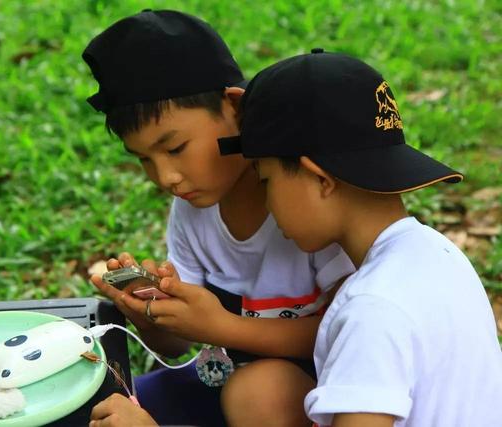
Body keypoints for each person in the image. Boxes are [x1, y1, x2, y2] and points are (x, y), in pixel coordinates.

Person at [83, 10, 355, 427]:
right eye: (144, 160)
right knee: (111, 404)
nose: (166, 177)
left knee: (260, 392)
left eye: (175, 149)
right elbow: (177, 345)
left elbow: (345, 331)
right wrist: (151, 311)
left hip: (313, 381)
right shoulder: (192, 210)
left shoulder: (306, 200)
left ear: (235, 108)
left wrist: (222, 326)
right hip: (224, 374)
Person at [210, 48, 502, 426]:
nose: (267, 201)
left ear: (320, 179)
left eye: (266, 180)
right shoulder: (439, 253)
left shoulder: (371, 308)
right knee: (259, 391)